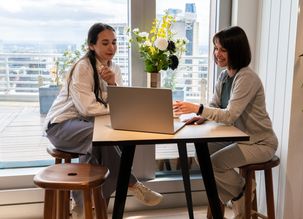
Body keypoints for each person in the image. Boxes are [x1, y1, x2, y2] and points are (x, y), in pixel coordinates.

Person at [43, 23, 163, 216]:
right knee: (101, 139)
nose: (111, 48)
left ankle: (87, 209)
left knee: (99, 148)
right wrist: (113, 106)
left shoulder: (114, 68)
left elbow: (121, 102)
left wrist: (112, 83)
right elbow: (87, 108)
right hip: (62, 125)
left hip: (88, 125)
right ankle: (130, 183)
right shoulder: (83, 67)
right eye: (105, 43)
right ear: (92, 45)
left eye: (114, 43)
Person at [173, 26, 278, 219]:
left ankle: (241, 193)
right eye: (215, 48)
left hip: (259, 142)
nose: (217, 54)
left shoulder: (246, 77)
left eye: (222, 49)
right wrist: (202, 116)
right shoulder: (224, 76)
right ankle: (239, 192)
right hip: (238, 138)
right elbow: (215, 103)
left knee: (214, 163)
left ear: (236, 50)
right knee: (201, 155)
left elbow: (230, 115)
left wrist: (198, 108)